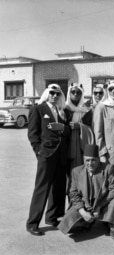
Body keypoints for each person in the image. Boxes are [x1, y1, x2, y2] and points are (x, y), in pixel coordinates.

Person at [58, 144, 114, 239]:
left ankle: (111, 225)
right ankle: (86, 222)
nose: (90, 163)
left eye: (93, 160)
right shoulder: (76, 171)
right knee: (67, 227)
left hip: (104, 206)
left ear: (98, 159)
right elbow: (73, 193)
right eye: (87, 160)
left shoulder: (108, 168)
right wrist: (82, 212)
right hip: (85, 206)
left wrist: (99, 207)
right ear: (84, 160)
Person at [26, 84, 71, 236]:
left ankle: (53, 217)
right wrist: (39, 150)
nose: (54, 96)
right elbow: (33, 134)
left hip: (61, 154)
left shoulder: (62, 111)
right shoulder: (38, 109)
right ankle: (32, 223)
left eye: (57, 93)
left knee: (59, 187)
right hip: (46, 154)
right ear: (47, 93)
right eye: (52, 93)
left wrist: (62, 127)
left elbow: (68, 130)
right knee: (42, 188)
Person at [64, 83, 95, 194]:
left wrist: (79, 126)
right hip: (66, 147)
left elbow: (92, 129)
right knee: (68, 176)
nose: (76, 94)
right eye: (73, 92)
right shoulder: (64, 109)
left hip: (81, 147)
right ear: (69, 93)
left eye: (78, 92)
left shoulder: (86, 110)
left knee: (81, 174)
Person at [93, 79, 114, 183]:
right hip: (110, 155)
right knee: (111, 184)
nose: (113, 91)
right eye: (111, 89)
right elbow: (98, 133)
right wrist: (102, 153)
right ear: (107, 91)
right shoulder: (102, 107)